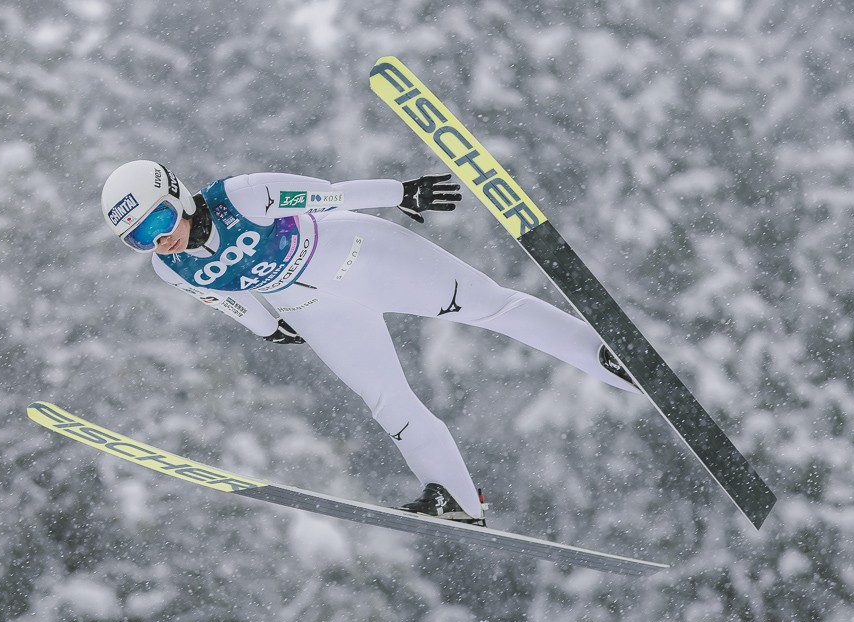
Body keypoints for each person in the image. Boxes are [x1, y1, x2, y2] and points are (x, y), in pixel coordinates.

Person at [101, 160, 639, 525]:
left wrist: (400, 192)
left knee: (489, 306)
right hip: (311, 306)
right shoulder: (170, 268)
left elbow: (327, 194)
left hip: (357, 254)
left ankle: (606, 357)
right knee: (387, 402)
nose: (160, 239)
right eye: (140, 238)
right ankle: (455, 498)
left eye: (159, 221)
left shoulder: (241, 196)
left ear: (176, 195)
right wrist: (267, 327)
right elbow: (222, 297)